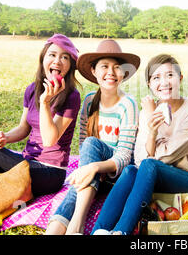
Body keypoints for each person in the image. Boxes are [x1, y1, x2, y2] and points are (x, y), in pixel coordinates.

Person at [0, 34, 81, 220]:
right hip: (26, 161)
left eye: (65, 57)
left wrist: (45, 102)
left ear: (70, 66)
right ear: (43, 59)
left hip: (49, 172)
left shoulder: (72, 96)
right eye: (52, 54)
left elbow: (50, 139)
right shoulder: (32, 89)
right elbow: (24, 128)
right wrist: (6, 137)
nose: (58, 60)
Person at [91, 54, 188, 235]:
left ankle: (120, 232)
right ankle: (98, 231)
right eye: (156, 77)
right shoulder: (146, 112)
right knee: (131, 171)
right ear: (149, 84)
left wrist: (151, 124)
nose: (163, 82)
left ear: (180, 78)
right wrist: (153, 131)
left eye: (170, 75)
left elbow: (164, 158)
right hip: (159, 178)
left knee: (149, 165)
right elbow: (139, 158)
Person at [45, 39, 140, 235]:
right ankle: (53, 230)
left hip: (118, 173)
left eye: (117, 68)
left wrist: (93, 167)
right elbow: (83, 147)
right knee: (79, 180)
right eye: (104, 66)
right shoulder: (89, 101)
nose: (111, 73)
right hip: (95, 174)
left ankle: (76, 225)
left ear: (123, 73)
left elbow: (124, 155)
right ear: (94, 71)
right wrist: (90, 168)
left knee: (89, 152)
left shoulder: (128, 104)